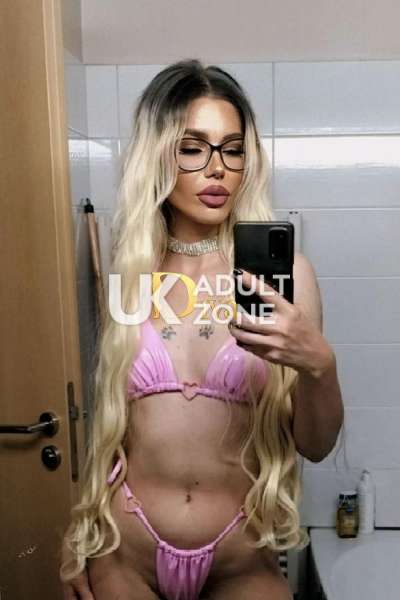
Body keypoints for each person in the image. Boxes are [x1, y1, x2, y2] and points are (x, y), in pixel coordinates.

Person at [59, 58, 343, 600]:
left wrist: (319, 365)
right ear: (158, 154)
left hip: (242, 560)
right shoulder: (131, 272)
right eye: (193, 148)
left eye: (232, 149)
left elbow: (316, 445)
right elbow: (109, 430)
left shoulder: (286, 277)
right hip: (125, 555)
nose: (217, 169)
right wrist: (79, 537)